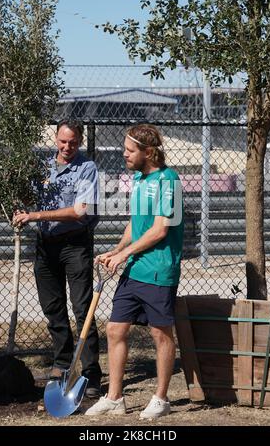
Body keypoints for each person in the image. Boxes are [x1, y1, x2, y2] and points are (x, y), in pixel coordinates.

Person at [85, 124, 183, 419]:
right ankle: (115, 398)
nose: (124, 155)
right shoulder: (139, 179)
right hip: (135, 268)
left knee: (160, 333)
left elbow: (159, 230)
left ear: (148, 152)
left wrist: (126, 254)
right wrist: (117, 250)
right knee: (115, 329)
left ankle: (161, 398)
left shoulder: (170, 181)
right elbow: (136, 224)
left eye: (130, 151)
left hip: (158, 269)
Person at [13, 120, 102, 398]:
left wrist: (35, 216)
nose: (67, 147)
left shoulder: (87, 168)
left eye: (73, 142)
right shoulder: (43, 168)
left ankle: (91, 372)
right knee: (53, 308)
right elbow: (30, 197)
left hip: (75, 245)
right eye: (63, 142)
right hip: (45, 247)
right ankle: (62, 363)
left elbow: (79, 211)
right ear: (55, 138)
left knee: (82, 308)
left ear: (80, 141)